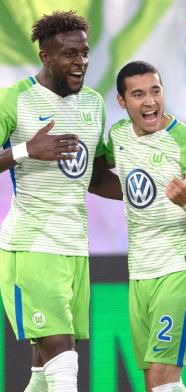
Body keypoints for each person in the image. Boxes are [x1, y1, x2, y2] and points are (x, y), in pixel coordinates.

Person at [0, 11, 119, 392]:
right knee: (63, 356)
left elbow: (95, 176)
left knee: (46, 365)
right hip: (31, 245)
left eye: (84, 53)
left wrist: (150, 195)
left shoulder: (94, 104)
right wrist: (24, 151)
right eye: (70, 54)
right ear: (45, 57)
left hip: (74, 249)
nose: (80, 62)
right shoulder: (13, 100)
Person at [92, 61, 186, 392]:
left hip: (181, 267)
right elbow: (103, 177)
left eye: (155, 91)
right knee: (153, 381)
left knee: (163, 377)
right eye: (138, 94)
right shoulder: (118, 135)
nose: (149, 102)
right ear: (122, 101)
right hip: (140, 271)